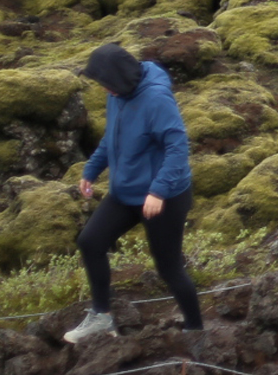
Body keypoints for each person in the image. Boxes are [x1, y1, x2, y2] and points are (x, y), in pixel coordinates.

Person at [63, 44, 202, 344]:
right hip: (126, 191)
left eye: (105, 82)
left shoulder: (156, 98)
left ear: (120, 78)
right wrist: (91, 169)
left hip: (163, 198)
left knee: (169, 268)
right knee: (90, 242)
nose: (103, 88)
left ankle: (195, 330)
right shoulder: (118, 95)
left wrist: (158, 190)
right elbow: (112, 137)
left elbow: (178, 149)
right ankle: (101, 317)